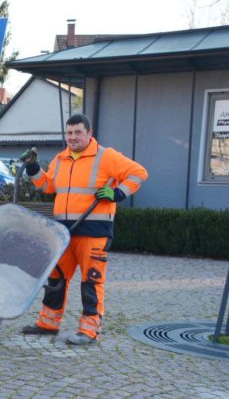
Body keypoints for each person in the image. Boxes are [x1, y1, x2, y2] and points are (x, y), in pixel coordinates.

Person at [21, 113, 148, 346]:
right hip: (64, 232)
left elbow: (139, 173)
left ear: (89, 133)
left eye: (78, 132)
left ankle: (89, 331)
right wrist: (33, 167)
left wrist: (118, 193)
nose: (73, 137)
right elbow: (48, 185)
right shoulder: (61, 158)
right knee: (56, 279)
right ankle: (47, 324)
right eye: (69, 133)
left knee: (91, 281)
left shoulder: (106, 156)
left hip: (94, 232)